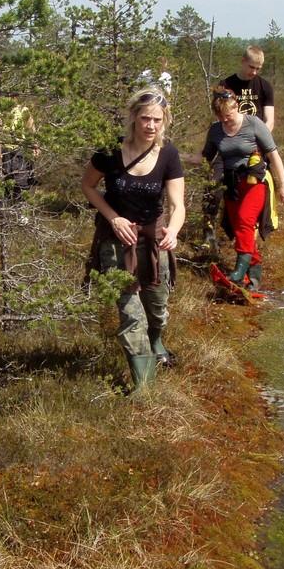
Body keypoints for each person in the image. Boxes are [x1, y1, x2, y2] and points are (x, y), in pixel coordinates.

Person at [82, 87, 185, 392]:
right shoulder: (110, 151)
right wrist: (113, 217)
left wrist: (174, 232)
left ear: (164, 121)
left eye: (157, 119)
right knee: (130, 311)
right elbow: (88, 186)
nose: (150, 126)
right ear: (133, 118)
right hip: (115, 242)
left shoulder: (168, 154)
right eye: (145, 118)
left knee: (157, 306)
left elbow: (178, 204)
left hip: (153, 240)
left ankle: (156, 339)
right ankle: (144, 385)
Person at [202, 86, 284, 293]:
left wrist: (283, 185)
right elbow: (204, 158)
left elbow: (274, 155)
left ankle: (239, 271)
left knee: (244, 221)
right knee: (241, 229)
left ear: (236, 107)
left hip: (254, 181)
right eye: (222, 117)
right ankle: (255, 274)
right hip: (231, 184)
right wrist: (173, 157)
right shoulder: (216, 130)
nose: (226, 121)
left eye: (229, 115)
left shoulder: (253, 124)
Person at [201, 45, 276, 250]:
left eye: (259, 68)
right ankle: (209, 229)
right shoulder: (226, 84)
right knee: (214, 185)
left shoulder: (264, 86)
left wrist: (258, 139)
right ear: (242, 61)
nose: (254, 71)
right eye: (252, 66)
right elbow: (219, 114)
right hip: (225, 143)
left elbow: (269, 120)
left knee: (253, 191)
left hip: (254, 145)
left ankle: (250, 233)